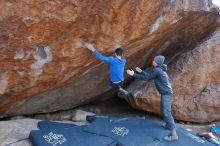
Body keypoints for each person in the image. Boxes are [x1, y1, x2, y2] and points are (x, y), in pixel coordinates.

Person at [126, 55, 178, 141]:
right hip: (165, 93)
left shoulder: (158, 70)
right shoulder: (159, 69)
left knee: (166, 112)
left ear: (157, 62)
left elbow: (146, 78)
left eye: (154, 60)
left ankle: (174, 134)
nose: (152, 61)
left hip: (166, 94)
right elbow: (150, 76)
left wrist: (133, 74)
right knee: (163, 110)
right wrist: (141, 71)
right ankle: (169, 125)